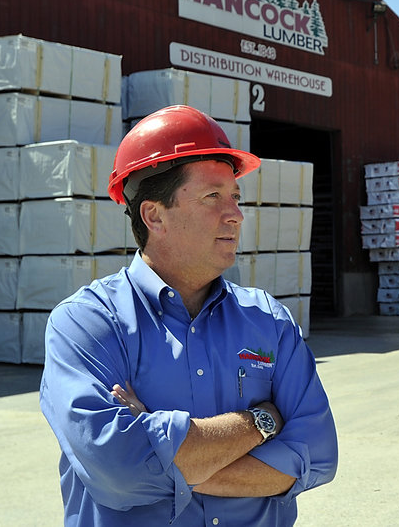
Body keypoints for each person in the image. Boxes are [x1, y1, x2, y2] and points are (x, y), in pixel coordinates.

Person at [40, 105, 338, 526]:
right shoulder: (87, 324)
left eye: (235, 196)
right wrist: (263, 420)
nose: (235, 213)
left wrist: (164, 452)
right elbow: (119, 472)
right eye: (212, 196)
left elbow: (319, 454)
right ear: (154, 215)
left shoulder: (269, 321)